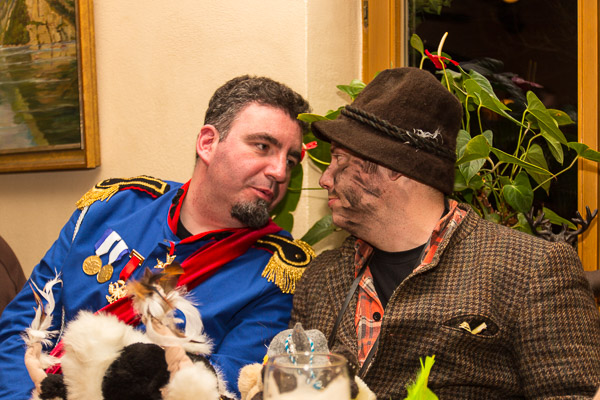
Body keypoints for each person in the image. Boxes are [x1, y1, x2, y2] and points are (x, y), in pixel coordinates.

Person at [291, 67, 600, 399]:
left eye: (339, 160)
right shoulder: (320, 278)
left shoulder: (532, 269)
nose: (325, 178)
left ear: (392, 166)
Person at [0, 75, 314, 399]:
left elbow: (225, 385)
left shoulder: (274, 273)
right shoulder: (114, 206)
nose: (280, 172)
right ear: (208, 143)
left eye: (290, 160)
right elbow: (21, 325)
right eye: (263, 147)